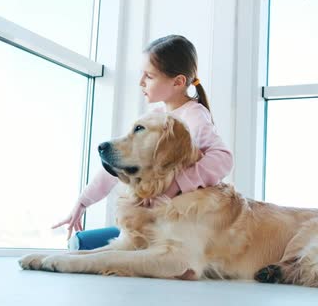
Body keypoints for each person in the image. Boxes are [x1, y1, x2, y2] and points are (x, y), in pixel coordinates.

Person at [52, 35, 233, 248]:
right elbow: (121, 161)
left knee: (112, 246)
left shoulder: (194, 116)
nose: (141, 82)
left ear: (178, 82)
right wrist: (83, 202)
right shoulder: (154, 116)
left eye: (149, 76)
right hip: (157, 217)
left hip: (183, 221)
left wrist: (176, 185)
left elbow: (223, 158)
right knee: (83, 244)